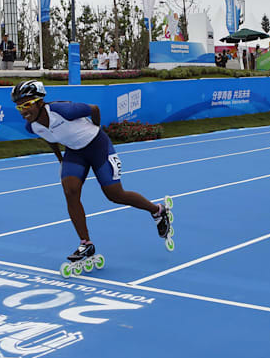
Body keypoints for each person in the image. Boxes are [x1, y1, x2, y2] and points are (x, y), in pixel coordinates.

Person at [11, 80, 174, 277]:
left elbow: (94, 109)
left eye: (27, 105)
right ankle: (85, 244)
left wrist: (96, 131)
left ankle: (157, 210)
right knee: (70, 191)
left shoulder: (62, 110)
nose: (23, 111)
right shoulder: (32, 126)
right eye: (19, 106)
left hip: (97, 146)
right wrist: (60, 160)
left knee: (114, 194)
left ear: (39, 102)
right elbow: (49, 138)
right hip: (75, 152)